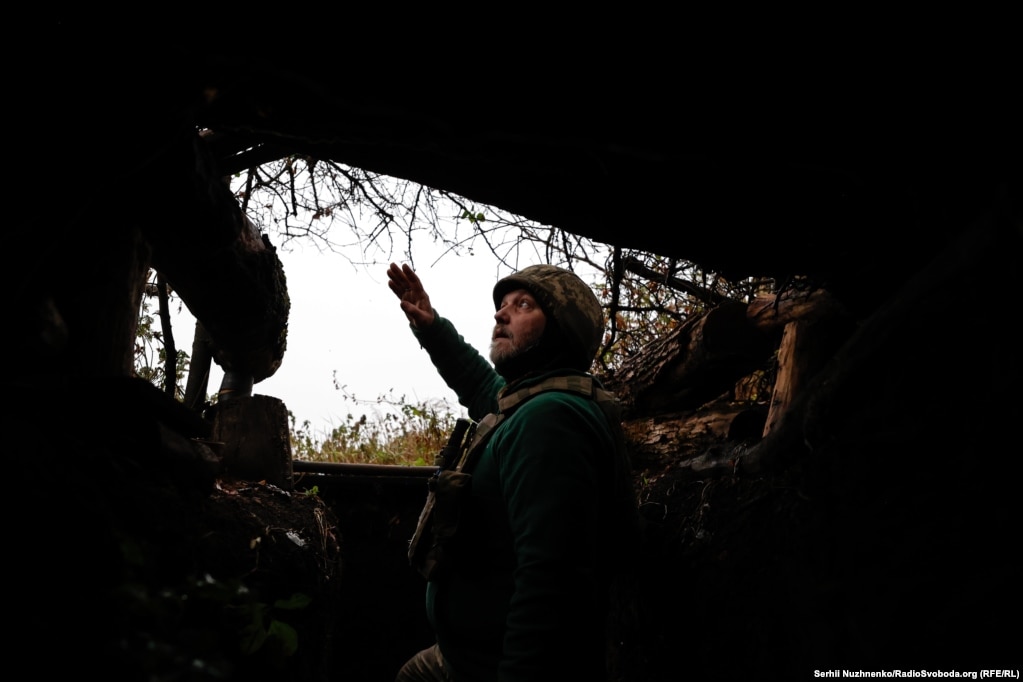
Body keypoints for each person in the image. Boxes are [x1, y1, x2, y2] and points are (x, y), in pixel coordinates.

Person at [387, 262, 637, 682]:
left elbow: (550, 587)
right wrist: (432, 328)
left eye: (523, 305)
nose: (501, 314)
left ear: (562, 329)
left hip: (493, 667)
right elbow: (482, 386)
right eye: (502, 305)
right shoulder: (532, 404)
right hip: (460, 656)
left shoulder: (551, 420)